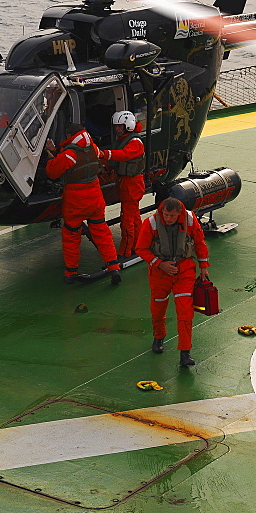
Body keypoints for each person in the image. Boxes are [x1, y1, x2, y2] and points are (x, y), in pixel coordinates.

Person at [135, 197, 211, 368]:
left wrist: (203, 266)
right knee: (158, 308)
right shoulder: (151, 223)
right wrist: (160, 264)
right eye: (166, 214)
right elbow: (141, 248)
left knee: (185, 313)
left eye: (172, 216)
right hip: (159, 274)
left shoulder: (191, 220)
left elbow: (199, 243)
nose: (168, 218)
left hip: (184, 270)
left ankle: (185, 353)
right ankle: (158, 337)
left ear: (179, 213)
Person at [45, 123, 122, 285]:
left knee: (71, 235)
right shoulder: (92, 148)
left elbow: (52, 172)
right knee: (102, 233)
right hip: (95, 196)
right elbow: (99, 156)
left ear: (69, 135)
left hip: (75, 201)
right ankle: (113, 266)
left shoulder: (69, 154)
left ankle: (71, 272)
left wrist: (49, 156)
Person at [101, 110, 146, 259]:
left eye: (119, 126)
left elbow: (124, 155)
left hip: (131, 184)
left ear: (128, 125)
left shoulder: (135, 143)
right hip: (127, 182)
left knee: (127, 219)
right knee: (134, 217)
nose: (117, 129)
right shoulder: (124, 140)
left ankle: (126, 251)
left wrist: (105, 154)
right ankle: (139, 244)